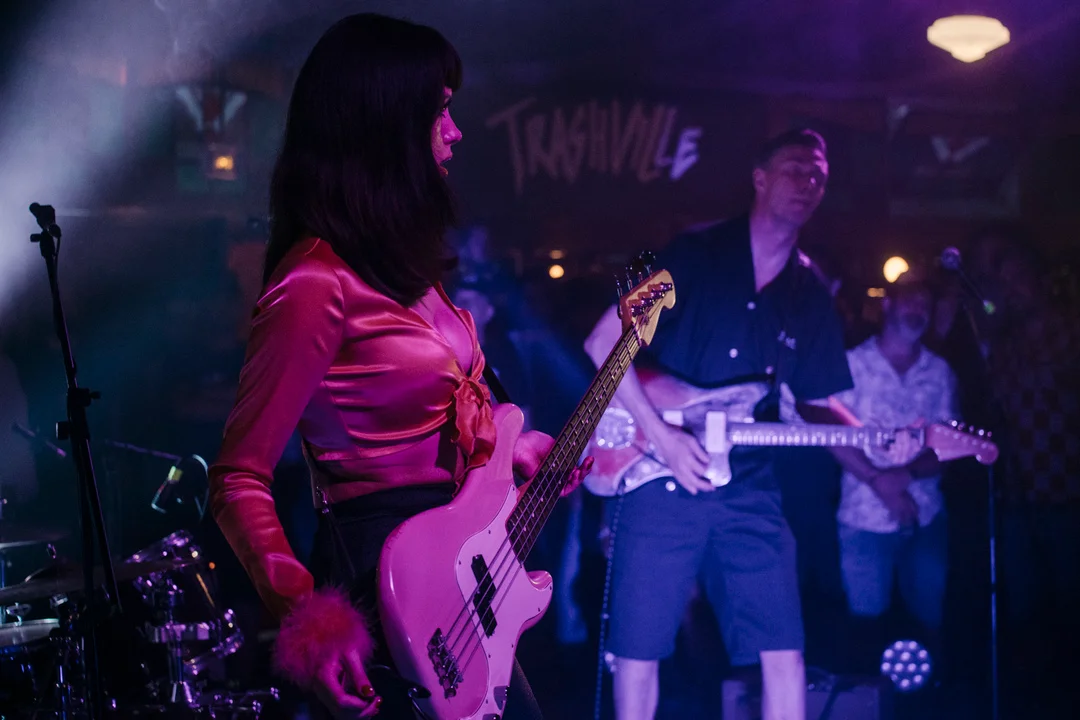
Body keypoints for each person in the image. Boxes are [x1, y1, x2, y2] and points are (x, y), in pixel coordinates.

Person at [207, 14, 589, 719]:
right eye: (439, 111)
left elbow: (433, 416)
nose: (456, 131)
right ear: (385, 127)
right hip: (381, 583)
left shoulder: (407, 272)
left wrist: (511, 452)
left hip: (462, 576)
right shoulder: (314, 284)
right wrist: (312, 623)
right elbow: (237, 477)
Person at [584, 128, 853, 720]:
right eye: (795, 169)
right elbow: (604, 342)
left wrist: (881, 444)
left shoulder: (810, 292)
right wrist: (665, 439)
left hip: (750, 484)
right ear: (759, 178)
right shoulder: (691, 255)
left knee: (785, 651)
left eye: (818, 175)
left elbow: (818, 401)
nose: (808, 183)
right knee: (637, 654)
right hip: (656, 475)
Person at [830, 272, 958, 671]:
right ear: (886, 304)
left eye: (925, 304)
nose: (918, 309)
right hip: (862, 518)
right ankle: (871, 698)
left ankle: (931, 696)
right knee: (865, 629)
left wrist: (904, 478)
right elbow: (832, 437)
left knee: (930, 622)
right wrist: (878, 481)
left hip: (926, 515)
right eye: (909, 300)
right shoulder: (850, 364)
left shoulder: (940, 372)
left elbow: (949, 445)